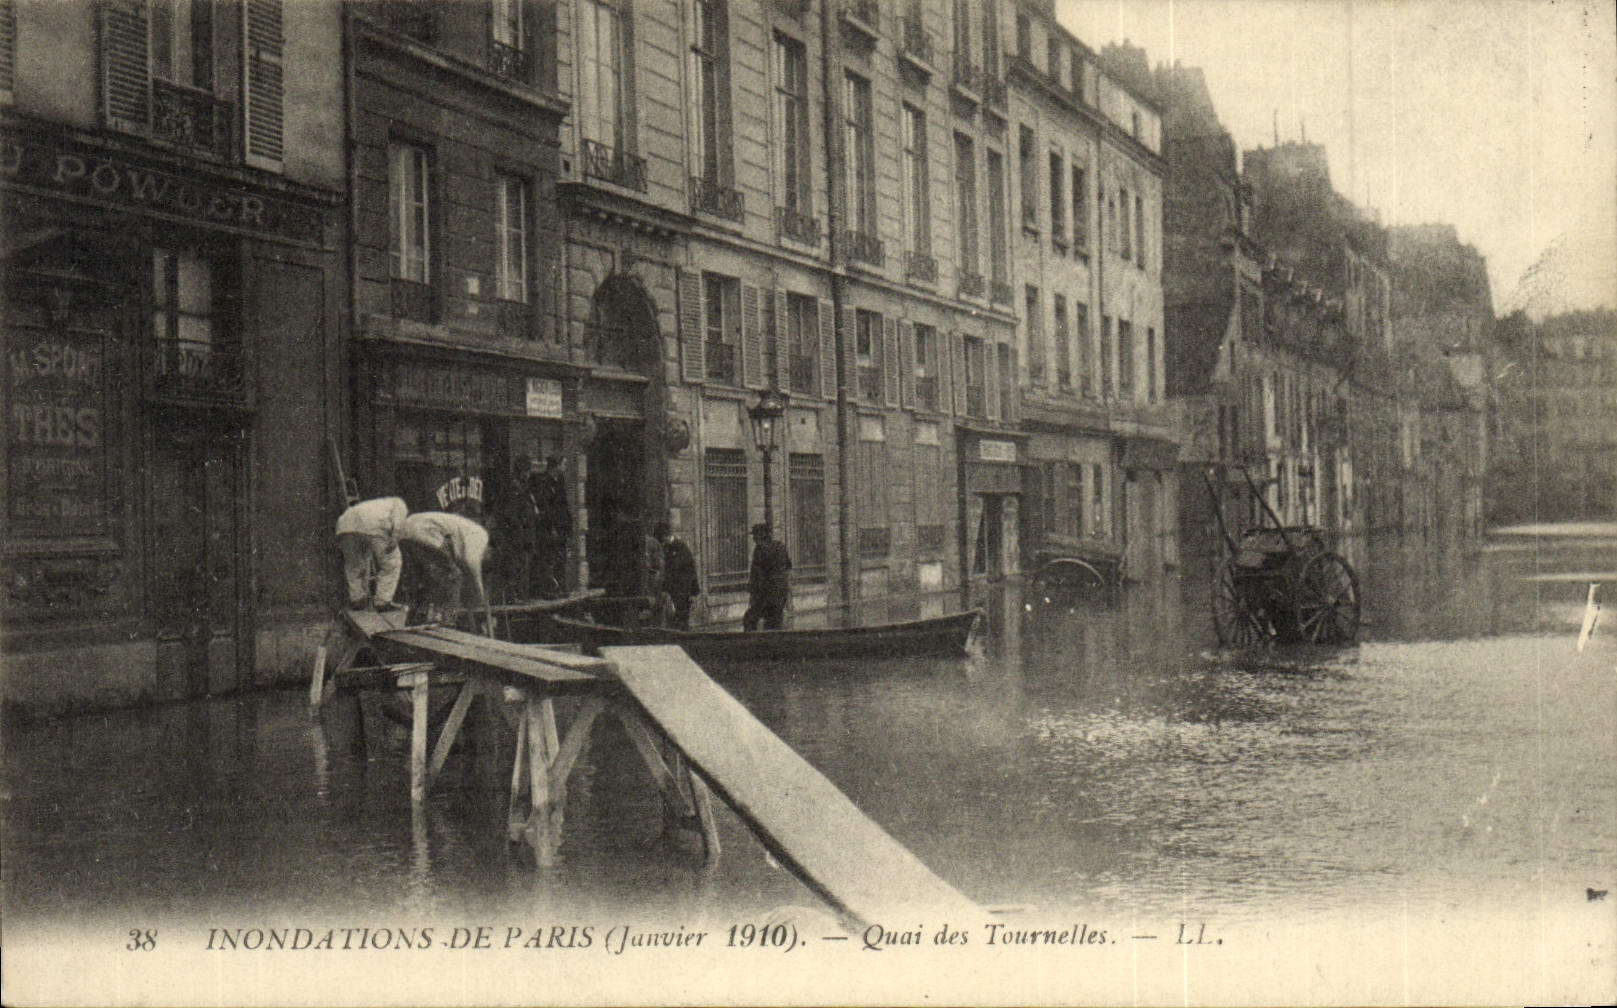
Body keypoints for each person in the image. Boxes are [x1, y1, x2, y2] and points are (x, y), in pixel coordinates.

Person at [400, 510, 491, 626]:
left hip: (408, 529)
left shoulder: (463, 534)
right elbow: (472, 561)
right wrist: (479, 591)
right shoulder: (481, 536)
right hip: (426, 531)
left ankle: (415, 618)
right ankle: (447, 621)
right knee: (454, 577)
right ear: (489, 550)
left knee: (426, 579)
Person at [334, 496, 409, 611]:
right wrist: (394, 538)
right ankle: (382, 601)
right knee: (391, 563)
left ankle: (357, 599)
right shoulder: (399, 503)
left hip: (345, 526)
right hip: (373, 525)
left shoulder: (376, 504)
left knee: (354, 566)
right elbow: (398, 524)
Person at [531, 456, 571, 597]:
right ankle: (550, 589)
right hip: (550, 529)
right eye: (563, 464)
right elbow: (546, 508)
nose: (565, 467)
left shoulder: (559, 482)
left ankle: (560, 587)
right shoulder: (545, 483)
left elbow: (563, 506)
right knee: (549, 559)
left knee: (560, 558)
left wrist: (567, 526)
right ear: (557, 466)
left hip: (560, 528)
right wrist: (552, 527)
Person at [743, 523, 791, 631]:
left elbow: (757, 575)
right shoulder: (781, 547)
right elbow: (787, 569)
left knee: (750, 620)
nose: (754, 538)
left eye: (756, 535)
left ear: (763, 534)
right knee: (775, 622)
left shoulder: (760, 550)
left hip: (766, 593)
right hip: (780, 593)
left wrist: (753, 594)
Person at [656, 521, 701, 630]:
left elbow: (691, 569)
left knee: (682, 621)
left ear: (667, 536)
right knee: (675, 622)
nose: (662, 543)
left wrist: (692, 592)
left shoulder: (681, 547)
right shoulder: (667, 548)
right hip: (674, 592)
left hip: (683, 591)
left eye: (663, 539)